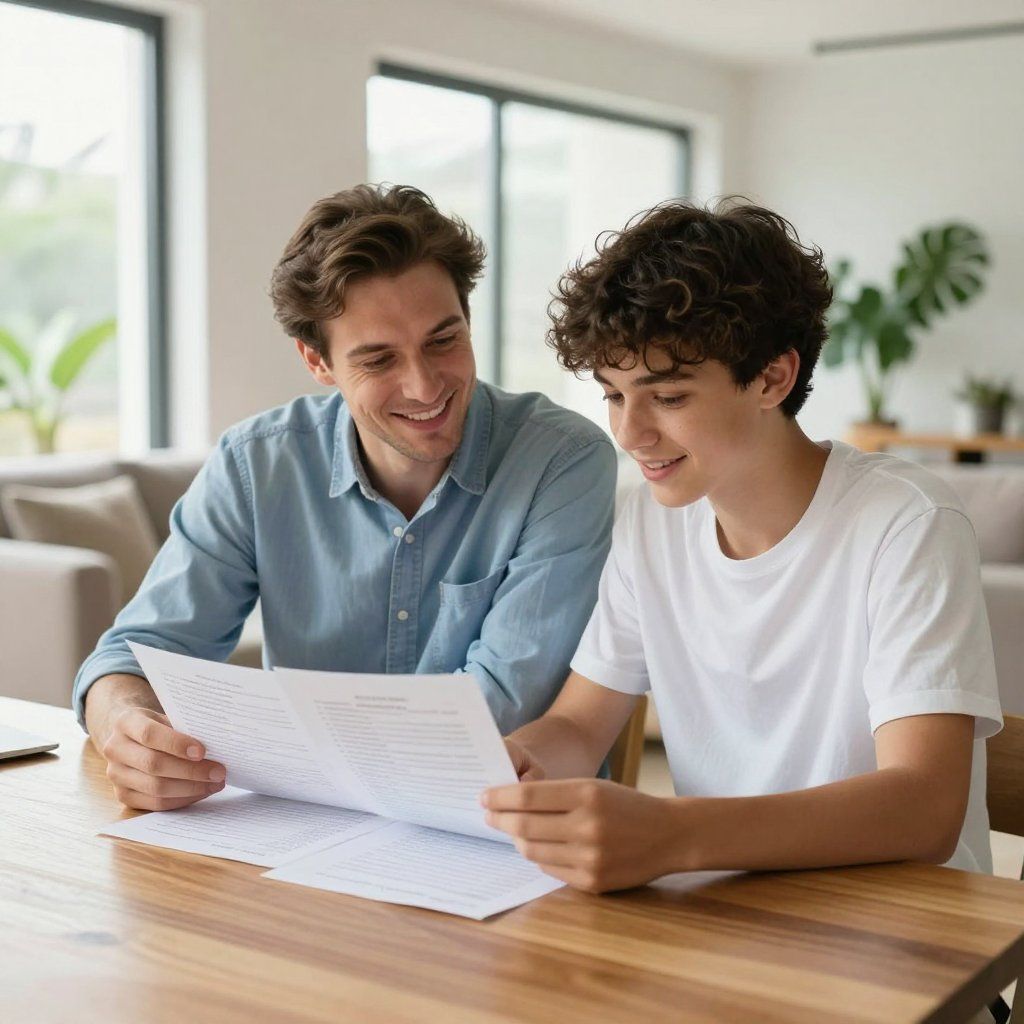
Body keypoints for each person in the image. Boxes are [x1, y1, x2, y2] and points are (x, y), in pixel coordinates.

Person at [482, 199, 1002, 894]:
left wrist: (674, 833)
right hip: (727, 921)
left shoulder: (906, 522)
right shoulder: (651, 522)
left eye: (666, 397)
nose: (629, 433)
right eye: (613, 395)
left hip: (898, 940)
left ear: (772, 378)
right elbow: (579, 725)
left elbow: (924, 807)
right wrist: (519, 763)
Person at [75, 183, 616, 812]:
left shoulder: (562, 460)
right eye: (379, 359)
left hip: (503, 832)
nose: (424, 385)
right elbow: (132, 654)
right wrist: (127, 724)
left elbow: (496, 712)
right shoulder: (256, 464)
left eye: (444, 340)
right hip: (312, 831)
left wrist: (285, 748)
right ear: (318, 361)